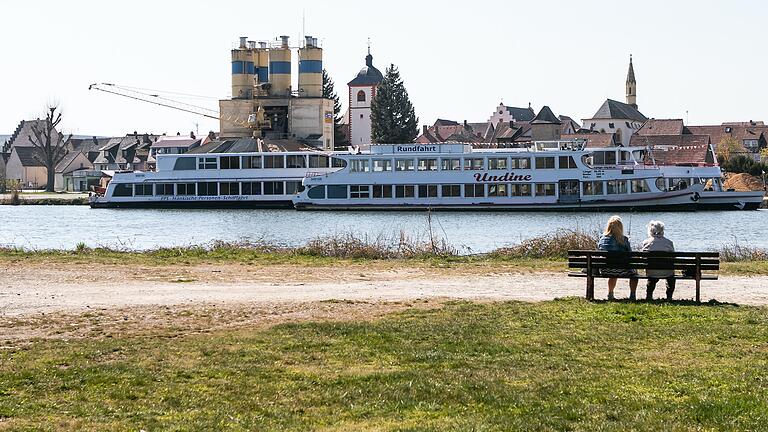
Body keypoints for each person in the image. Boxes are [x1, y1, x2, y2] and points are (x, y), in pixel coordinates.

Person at [597, 216, 638, 301]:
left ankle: (610, 294)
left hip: (605, 270)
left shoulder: (602, 238)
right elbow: (630, 255)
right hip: (620, 270)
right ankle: (632, 295)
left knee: (613, 271)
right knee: (635, 274)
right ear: (620, 227)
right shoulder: (624, 239)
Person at [641, 220, 676, 300]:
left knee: (652, 277)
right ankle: (669, 296)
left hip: (651, 272)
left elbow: (643, 258)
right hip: (667, 272)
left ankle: (649, 295)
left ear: (650, 231)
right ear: (662, 231)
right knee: (671, 277)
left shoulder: (646, 242)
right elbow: (673, 258)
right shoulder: (669, 242)